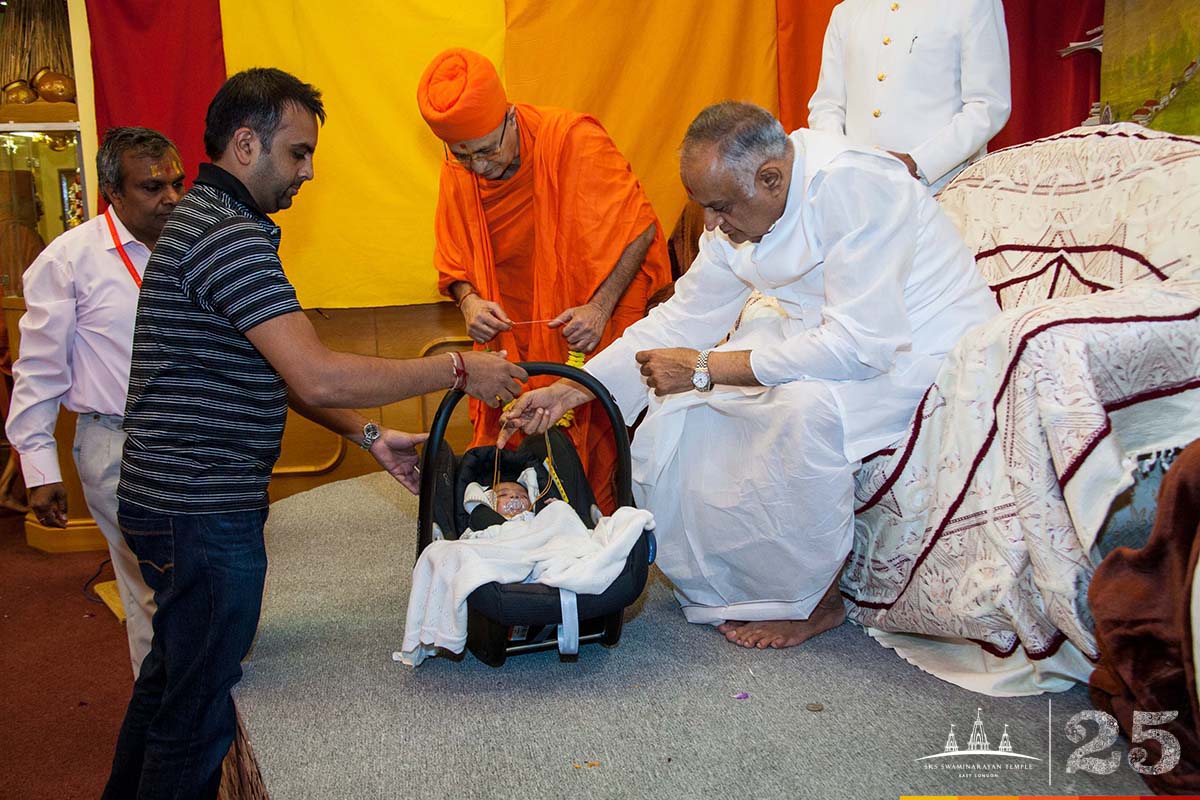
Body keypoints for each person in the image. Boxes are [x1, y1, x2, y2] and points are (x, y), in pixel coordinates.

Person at [101, 68, 525, 800]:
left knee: (174, 680)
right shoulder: (227, 237)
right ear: (245, 144)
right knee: (196, 718)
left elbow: (282, 376)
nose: (308, 171)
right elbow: (319, 373)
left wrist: (369, 434)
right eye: (297, 153)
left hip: (173, 500)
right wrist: (458, 368)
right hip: (199, 509)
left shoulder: (206, 223)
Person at [501, 101, 999, 650]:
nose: (710, 225)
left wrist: (705, 367)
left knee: (797, 411)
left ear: (770, 177)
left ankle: (816, 601)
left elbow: (861, 346)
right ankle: (736, 586)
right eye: (704, 208)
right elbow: (680, 318)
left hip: (918, 345)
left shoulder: (856, 185)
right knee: (680, 410)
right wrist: (569, 391)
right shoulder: (739, 216)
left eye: (719, 207)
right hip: (822, 335)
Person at [416, 48, 672, 514]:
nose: (478, 167)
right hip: (511, 327)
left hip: (581, 319)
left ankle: (593, 534)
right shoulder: (462, 166)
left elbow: (639, 228)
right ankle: (513, 525)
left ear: (511, 118)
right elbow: (454, 259)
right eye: (463, 155)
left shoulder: (572, 140)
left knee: (587, 429)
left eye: (487, 150)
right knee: (513, 433)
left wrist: (600, 307)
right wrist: (469, 301)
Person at [6, 127, 185, 678]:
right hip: (120, 447)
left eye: (177, 183)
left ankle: (218, 727)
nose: (172, 199)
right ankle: (164, 736)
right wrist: (39, 468)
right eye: (153, 187)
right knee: (152, 596)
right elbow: (38, 371)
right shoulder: (69, 262)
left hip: (199, 439)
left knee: (214, 590)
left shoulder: (197, 245)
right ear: (113, 191)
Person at [806, 0, 1011, 190]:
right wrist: (842, 162)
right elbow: (827, 105)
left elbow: (988, 105)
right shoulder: (847, 12)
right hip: (856, 192)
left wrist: (918, 162)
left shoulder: (969, 4)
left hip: (939, 191)